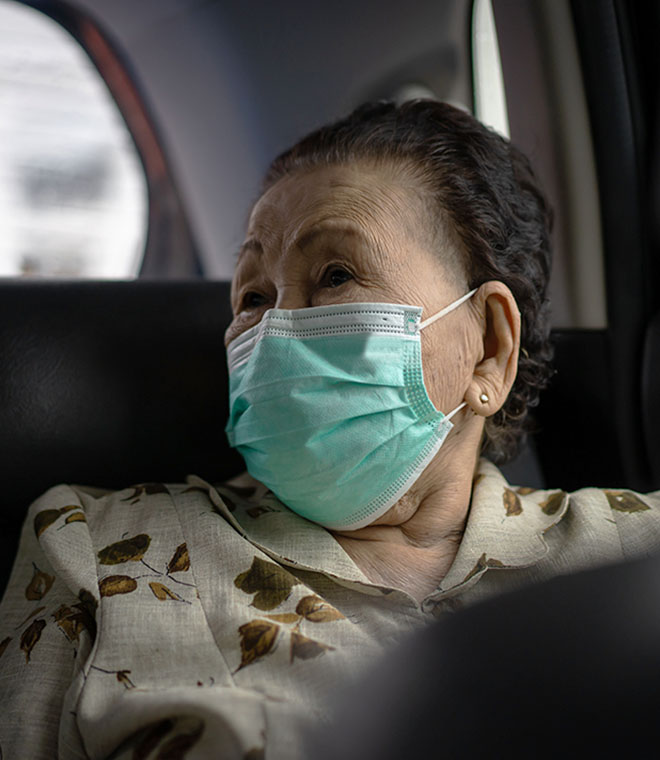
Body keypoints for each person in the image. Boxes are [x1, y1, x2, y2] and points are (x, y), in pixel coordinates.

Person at [1, 99, 659, 759]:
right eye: (253, 298)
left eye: (336, 275)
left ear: (488, 347)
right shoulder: (96, 548)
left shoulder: (638, 551)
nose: (273, 331)